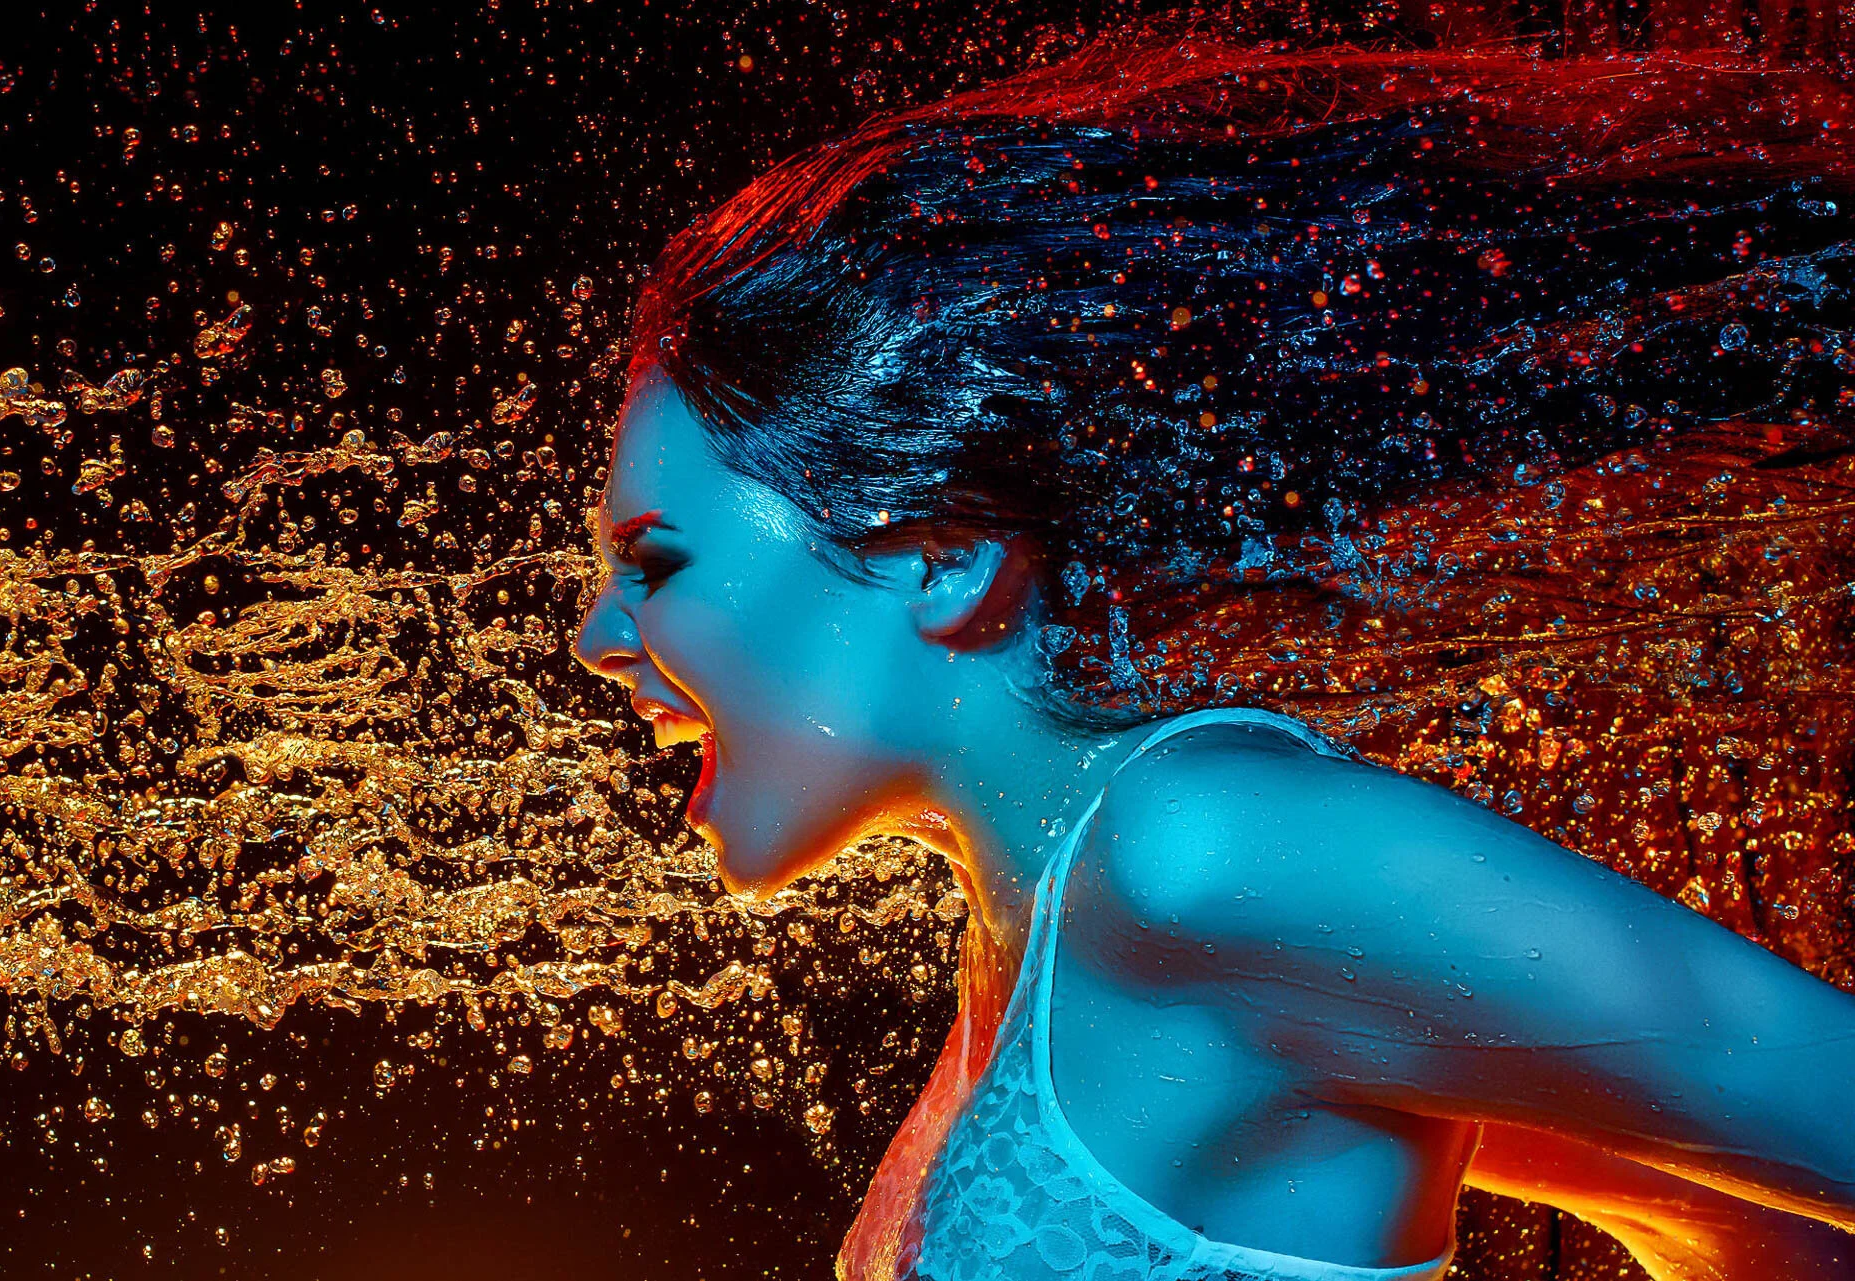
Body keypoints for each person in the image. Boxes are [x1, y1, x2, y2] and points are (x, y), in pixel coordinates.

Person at [574, 28, 1855, 1281]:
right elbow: (1762, 1236)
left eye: (658, 563)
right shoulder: (1048, 937)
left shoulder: (1201, 853)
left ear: (939, 558)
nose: (597, 641)